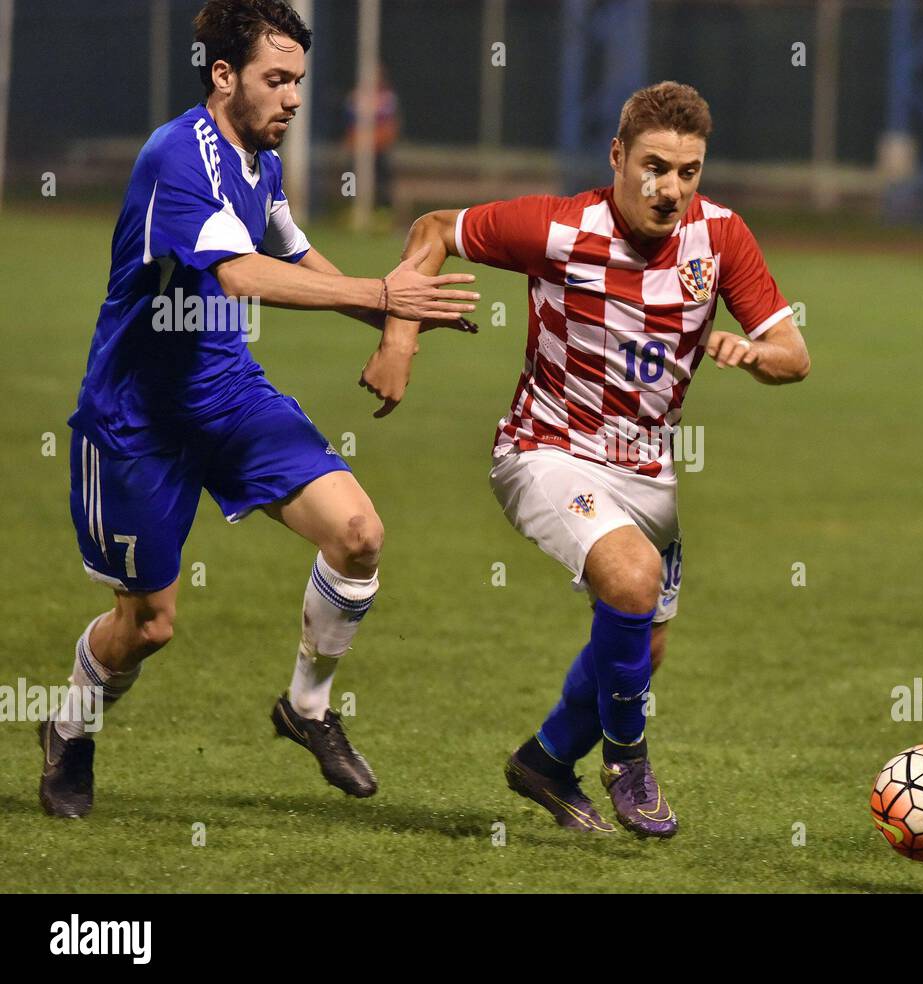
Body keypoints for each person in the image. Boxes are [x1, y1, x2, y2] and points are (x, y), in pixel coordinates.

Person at [42, 0, 478, 818]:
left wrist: (398, 321)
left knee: (359, 535)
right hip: (138, 421)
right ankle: (69, 729)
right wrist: (386, 295)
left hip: (228, 394)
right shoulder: (179, 156)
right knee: (147, 627)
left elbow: (297, 257)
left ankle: (305, 709)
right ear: (223, 76)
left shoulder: (259, 164)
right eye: (276, 80)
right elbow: (240, 275)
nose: (293, 98)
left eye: (299, 81)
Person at [360, 81, 810, 838]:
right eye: (654, 166)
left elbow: (794, 356)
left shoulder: (723, 237)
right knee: (631, 581)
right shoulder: (559, 228)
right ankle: (628, 760)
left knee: (644, 641)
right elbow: (432, 229)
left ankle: (546, 758)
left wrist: (755, 352)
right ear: (617, 157)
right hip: (545, 451)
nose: (670, 189)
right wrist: (398, 339)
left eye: (689, 171)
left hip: (650, 474)